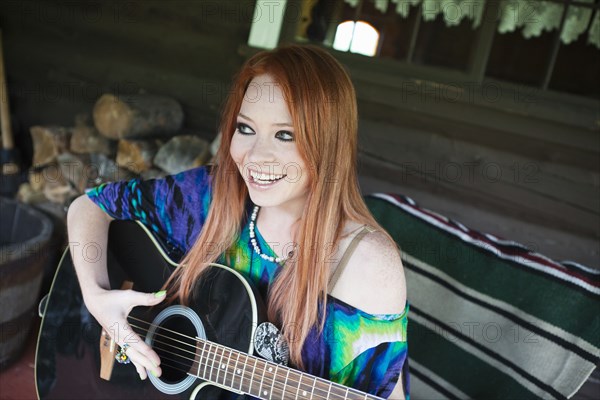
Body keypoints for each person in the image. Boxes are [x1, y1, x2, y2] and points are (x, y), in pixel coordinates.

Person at [67, 44, 408, 399]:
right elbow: (89, 205)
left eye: (285, 135)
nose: (256, 156)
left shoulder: (365, 264)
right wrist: (97, 298)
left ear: (329, 143)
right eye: (245, 128)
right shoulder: (209, 196)